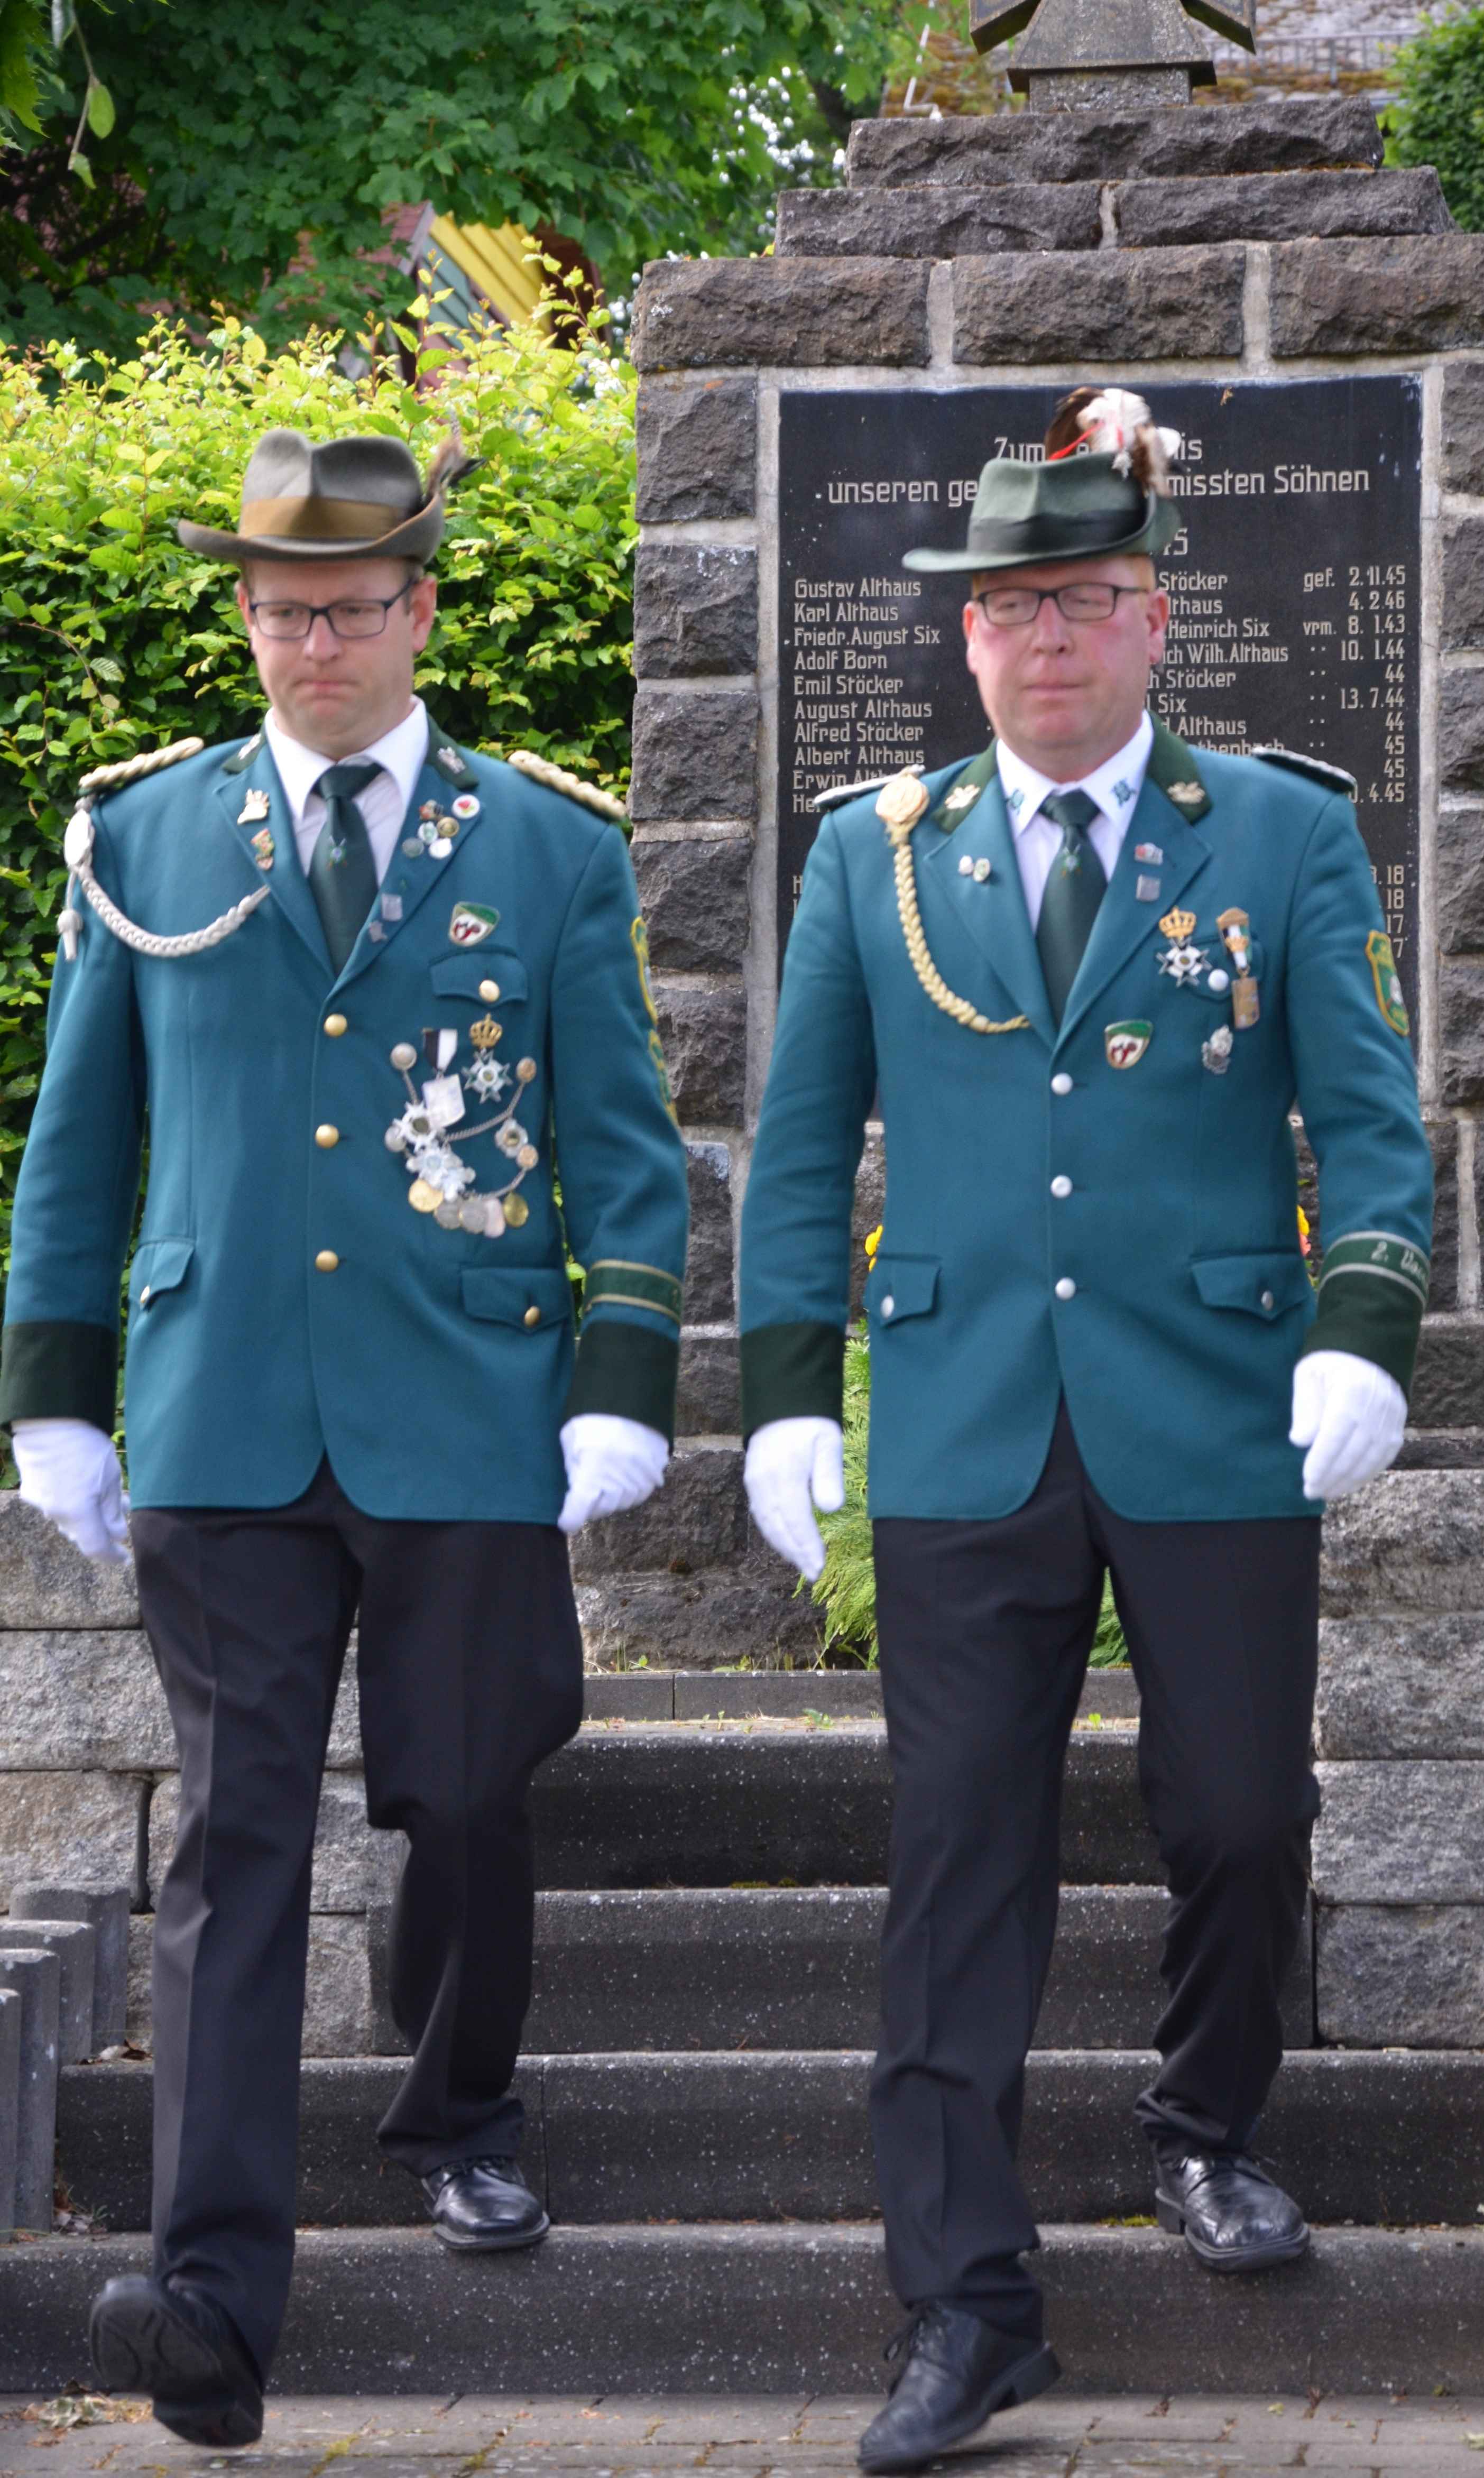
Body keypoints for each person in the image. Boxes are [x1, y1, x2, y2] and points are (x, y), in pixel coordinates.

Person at [738, 387, 1433, 2475]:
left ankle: (1204, 2124)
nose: (1045, 636)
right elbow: (798, 1151)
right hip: (962, 1418)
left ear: (1152, 620)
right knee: (957, 1853)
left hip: (1215, 1402)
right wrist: (782, 1394)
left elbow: (1370, 1119)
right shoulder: (871, 854)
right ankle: (963, 2303)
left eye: (1084, 600)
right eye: (1009, 608)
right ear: (967, 638)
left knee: (1239, 1813)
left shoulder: (1283, 833)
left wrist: (1363, 1328)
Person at [0, 428, 689, 2449]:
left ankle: (459, 2110)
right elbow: (81, 1139)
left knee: (465, 1796)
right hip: (222, 1405)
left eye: (352, 609)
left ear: (422, 610)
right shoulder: (144, 835)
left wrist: (620, 1377)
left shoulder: (546, 847)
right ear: (248, 617)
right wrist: (53, 1392)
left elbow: (622, 1150)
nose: (315, 644)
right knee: (233, 1841)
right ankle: (210, 2295)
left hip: (465, 1405)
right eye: (282, 611)